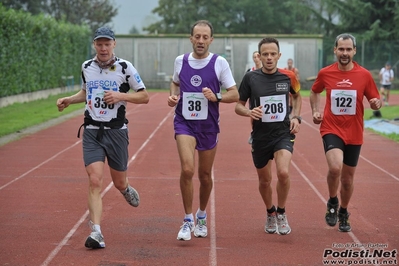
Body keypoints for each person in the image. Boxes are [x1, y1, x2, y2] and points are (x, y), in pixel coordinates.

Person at [56, 26, 150, 249]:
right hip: (91, 131)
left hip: (116, 132)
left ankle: (125, 188)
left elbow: (144, 96)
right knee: (95, 180)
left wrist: (119, 95)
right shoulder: (86, 67)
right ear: (94, 45)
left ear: (114, 44)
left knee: (118, 182)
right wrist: (70, 99)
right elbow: (86, 91)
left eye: (107, 44)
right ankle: (96, 232)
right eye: (99, 44)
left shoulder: (125, 67)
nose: (103, 48)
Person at [168, 20, 239, 241]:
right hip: (184, 123)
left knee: (205, 175)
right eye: (197, 37)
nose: (200, 41)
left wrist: (216, 96)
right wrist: (173, 96)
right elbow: (175, 83)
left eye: (204, 37)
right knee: (188, 169)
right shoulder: (181, 61)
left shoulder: (219, 63)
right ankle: (187, 219)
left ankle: (201, 215)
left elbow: (234, 94)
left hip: (208, 126)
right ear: (190, 38)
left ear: (211, 40)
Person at [310, 33, 381, 232]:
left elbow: (375, 100)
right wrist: (316, 110)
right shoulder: (326, 73)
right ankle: (333, 202)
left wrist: (376, 103)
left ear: (354, 51)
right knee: (335, 168)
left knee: (348, 179)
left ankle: (343, 211)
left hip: (354, 132)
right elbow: (315, 91)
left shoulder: (364, 75)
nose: (344, 53)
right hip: (331, 128)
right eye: (341, 49)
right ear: (335, 50)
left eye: (348, 49)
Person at [235, 37, 302, 235]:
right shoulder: (251, 78)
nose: (270, 58)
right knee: (265, 181)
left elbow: (297, 96)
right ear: (259, 56)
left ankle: (281, 212)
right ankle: (270, 212)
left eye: (273, 54)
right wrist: (249, 112)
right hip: (260, 136)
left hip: (282, 133)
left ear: (279, 55)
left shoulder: (289, 77)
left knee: (283, 173)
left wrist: (296, 117)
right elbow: (238, 105)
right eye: (265, 54)